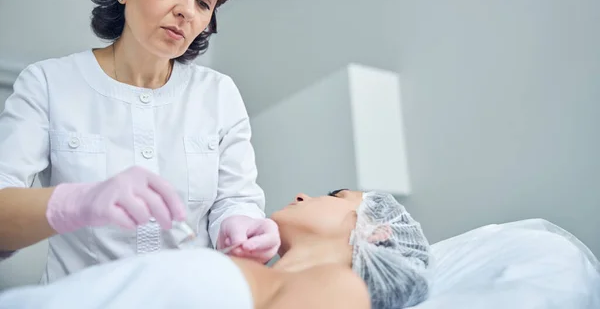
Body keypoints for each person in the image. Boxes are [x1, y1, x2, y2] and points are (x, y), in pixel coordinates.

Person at [0, 0, 280, 283]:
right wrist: (81, 201)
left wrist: (239, 223)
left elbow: (235, 198)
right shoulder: (49, 83)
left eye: (204, 2)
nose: (186, 11)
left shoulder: (218, 94)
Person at [0, 189, 433, 309]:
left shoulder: (338, 288)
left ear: (377, 234)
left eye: (336, 196)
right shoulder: (250, 276)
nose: (303, 195)